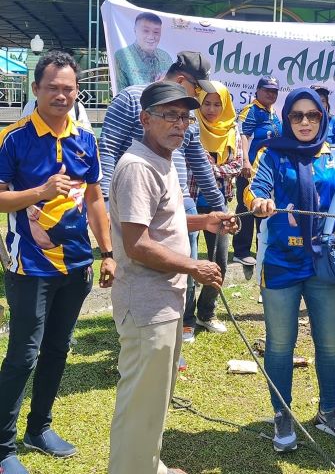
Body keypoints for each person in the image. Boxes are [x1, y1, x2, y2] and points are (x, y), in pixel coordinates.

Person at [107, 81, 237, 474]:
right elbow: (138, 244)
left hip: (164, 301)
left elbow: (161, 221)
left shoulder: (161, 159)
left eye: (185, 117)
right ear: (145, 119)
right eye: (169, 115)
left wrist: (206, 221)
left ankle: (149, 465)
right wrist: (194, 266)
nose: (180, 124)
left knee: (156, 397)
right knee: (142, 401)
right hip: (147, 304)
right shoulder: (138, 167)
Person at [0, 51, 115, 474]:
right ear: (36, 90)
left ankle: (39, 428)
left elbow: (94, 198)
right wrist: (40, 192)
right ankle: (2, 446)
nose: (61, 95)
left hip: (77, 265)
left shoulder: (86, 138)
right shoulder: (13, 138)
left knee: (58, 349)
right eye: (53, 88)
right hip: (29, 266)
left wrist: (107, 252)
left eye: (69, 88)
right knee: (23, 355)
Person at [246, 87, 335, 452]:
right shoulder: (271, 152)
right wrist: (260, 203)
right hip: (281, 261)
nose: (304, 122)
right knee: (280, 344)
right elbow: (252, 192)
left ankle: (329, 411)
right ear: (286, 119)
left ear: (323, 116)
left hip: (324, 264)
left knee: (330, 344)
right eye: (296, 115)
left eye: (312, 115)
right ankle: (282, 414)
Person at [98, 51, 226, 350]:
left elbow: (198, 161)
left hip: (178, 200)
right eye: (197, 89)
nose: (182, 121)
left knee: (182, 271)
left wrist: (217, 208)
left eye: (184, 116)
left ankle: (173, 334)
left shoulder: (185, 117)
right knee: (147, 267)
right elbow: (108, 148)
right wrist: (107, 203)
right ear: (182, 80)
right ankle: (149, 337)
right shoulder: (132, 100)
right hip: (139, 200)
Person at [185, 80, 243, 339]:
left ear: (226, 105)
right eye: (206, 103)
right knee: (188, 261)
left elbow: (238, 165)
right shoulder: (190, 125)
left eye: (217, 104)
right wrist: (216, 169)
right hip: (190, 204)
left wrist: (211, 168)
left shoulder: (233, 128)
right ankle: (186, 319)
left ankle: (206, 312)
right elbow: (188, 162)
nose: (210, 109)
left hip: (220, 205)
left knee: (219, 260)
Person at [233, 75, 281, 267]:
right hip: (251, 169)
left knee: (264, 208)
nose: (271, 94)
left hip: (267, 170)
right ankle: (241, 251)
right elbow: (243, 135)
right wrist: (245, 161)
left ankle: (261, 247)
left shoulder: (273, 112)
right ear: (258, 91)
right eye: (267, 90)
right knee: (245, 208)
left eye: (274, 91)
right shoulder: (251, 110)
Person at [114, 12, 173, 90]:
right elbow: (120, 92)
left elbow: (172, 89)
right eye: (146, 31)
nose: (151, 37)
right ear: (135, 30)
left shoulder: (165, 57)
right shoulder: (122, 56)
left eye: (156, 32)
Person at [21, 96, 92, 132]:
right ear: (36, 88)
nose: (60, 95)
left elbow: (86, 140)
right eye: (52, 88)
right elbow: (22, 133)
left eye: (67, 88)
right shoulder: (32, 105)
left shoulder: (78, 108)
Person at [312, 84, 335, 148]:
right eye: (317, 100)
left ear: (326, 103)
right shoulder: (304, 120)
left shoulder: (333, 120)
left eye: (323, 101)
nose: (320, 103)